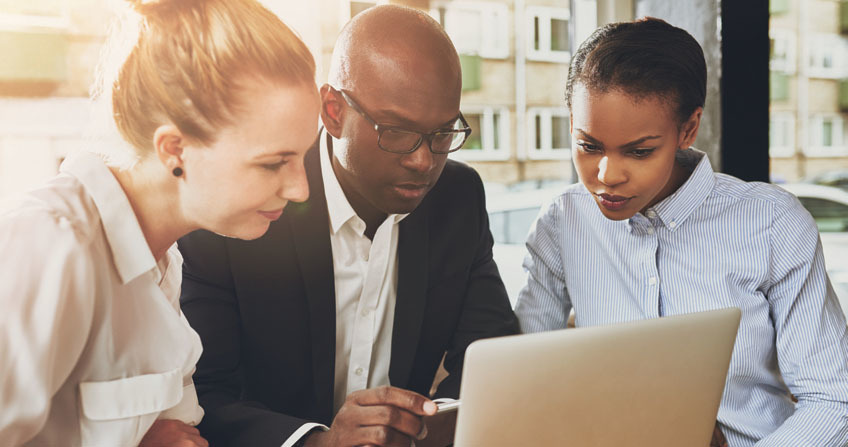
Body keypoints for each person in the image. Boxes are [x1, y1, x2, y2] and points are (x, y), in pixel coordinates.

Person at [177, 5, 519, 447]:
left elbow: (490, 356)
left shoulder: (458, 196)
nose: (424, 161)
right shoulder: (246, 201)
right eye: (396, 131)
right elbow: (203, 394)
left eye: (442, 133)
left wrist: (427, 426)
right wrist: (318, 442)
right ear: (333, 111)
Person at [514, 17, 848, 446]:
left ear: (687, 129)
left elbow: (833, 398)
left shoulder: (771, 223)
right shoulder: (562, 221)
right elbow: (525, 380)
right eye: (588, 145)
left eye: (639, 151)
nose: (606, 175)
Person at [0, 0, 319, 445]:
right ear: (174, 149)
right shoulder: (49, 245)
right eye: (272, 164)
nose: (300, 189)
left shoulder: (164, 256)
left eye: (304, 155)